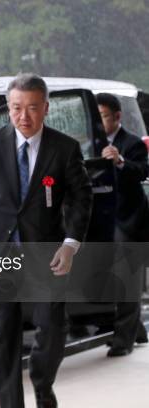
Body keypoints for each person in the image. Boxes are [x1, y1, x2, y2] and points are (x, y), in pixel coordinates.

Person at [0, 73, 92, 408]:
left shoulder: (64, 148)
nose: (24, 116)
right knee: (3, 336)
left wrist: (70, 244)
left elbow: (82, 198)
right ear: (8, 108)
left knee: (52, 330)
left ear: (46, 108)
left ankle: (41, 379)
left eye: (32, 108)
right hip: (1, 256)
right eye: (17, 108)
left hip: (46, 256)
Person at [96, 92, 149, 356]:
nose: (100, 122)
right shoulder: (93, 143)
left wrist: (120, 161)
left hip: (128, 220)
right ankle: (136, 329)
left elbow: (141, 171)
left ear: (117, 117)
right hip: (102, 220)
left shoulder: (132, 143)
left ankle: (123, 341)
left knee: (127, 279)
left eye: (103, 116)